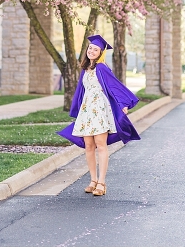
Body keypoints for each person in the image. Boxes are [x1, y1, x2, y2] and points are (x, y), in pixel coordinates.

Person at [58, 34, 140, 197]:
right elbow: (81, 91)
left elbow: (114, 86)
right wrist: (77, 109)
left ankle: (102, 182)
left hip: (100, 110)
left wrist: (122, 104)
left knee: (100, 144)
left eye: (96, 49)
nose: (92, 51)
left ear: (101, 52)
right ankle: (93, 180)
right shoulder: (85, 69)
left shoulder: (102, 68)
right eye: (90, 48)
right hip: (87, 110)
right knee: (89, 145)